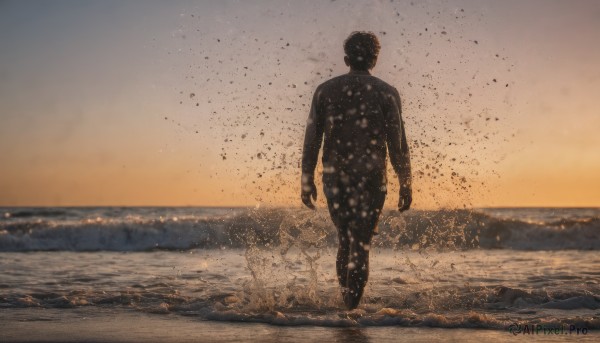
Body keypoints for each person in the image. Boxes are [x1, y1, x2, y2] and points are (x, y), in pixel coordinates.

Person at [301, 31, 412, 310]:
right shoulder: (386, 92)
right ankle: (351, 311)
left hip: (335, 176)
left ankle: (346, 306)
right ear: (375, 58)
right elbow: (397, 144)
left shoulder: (326, 90)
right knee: (361, 244)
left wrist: (306, 178)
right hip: (372, 177)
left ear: (346, 58)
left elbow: (312, 138)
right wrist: (405, 182)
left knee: (345, 240)